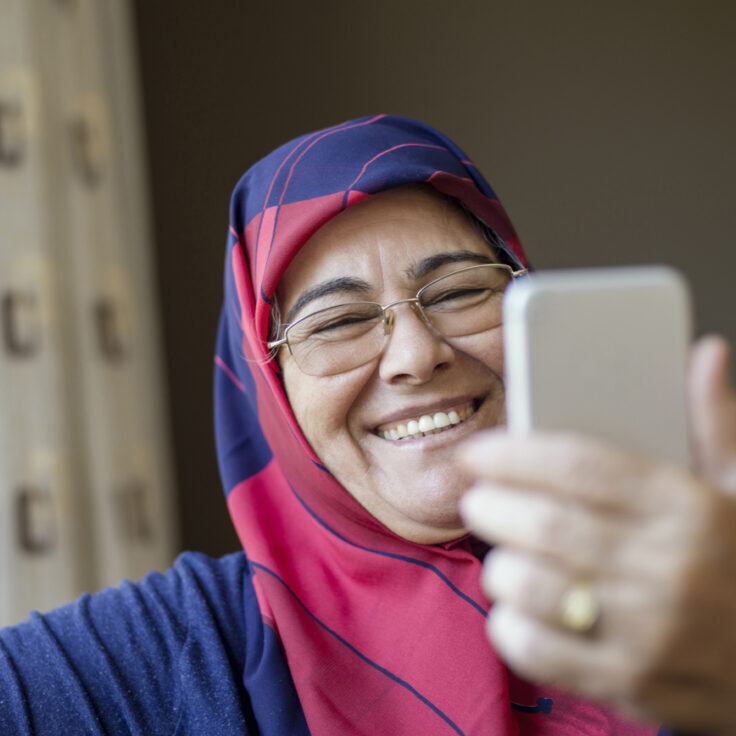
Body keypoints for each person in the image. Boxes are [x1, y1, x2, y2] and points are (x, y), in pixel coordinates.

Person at [0, 113, 732, 735]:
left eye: (458, 291)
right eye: (339, 321)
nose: (416, 355)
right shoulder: (174, 651)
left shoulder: (700, 586)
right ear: (269, 385)